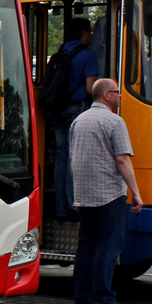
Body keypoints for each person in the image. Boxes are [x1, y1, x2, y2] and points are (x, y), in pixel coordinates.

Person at [69, 78, 143, 304]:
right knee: (107, 248)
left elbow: (73, 157)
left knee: (85, 248)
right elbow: (122, 160)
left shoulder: (78, 121)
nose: (120, 96)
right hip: (109, 194)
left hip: (84, 194)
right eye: (116, 92)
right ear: (106, 95)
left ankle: (82, 301)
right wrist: (136, 192)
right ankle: (104, 301)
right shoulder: (114, 121)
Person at [52, 18, 99, 217]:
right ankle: (74, 205)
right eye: (89, 31)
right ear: (82, 33)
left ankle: (59, 208)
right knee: (75, 158)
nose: (91, 36)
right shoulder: (88, 55)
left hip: (57, 109)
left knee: (61, 158)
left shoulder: (61, 51)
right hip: (75, 110)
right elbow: (90, 88)